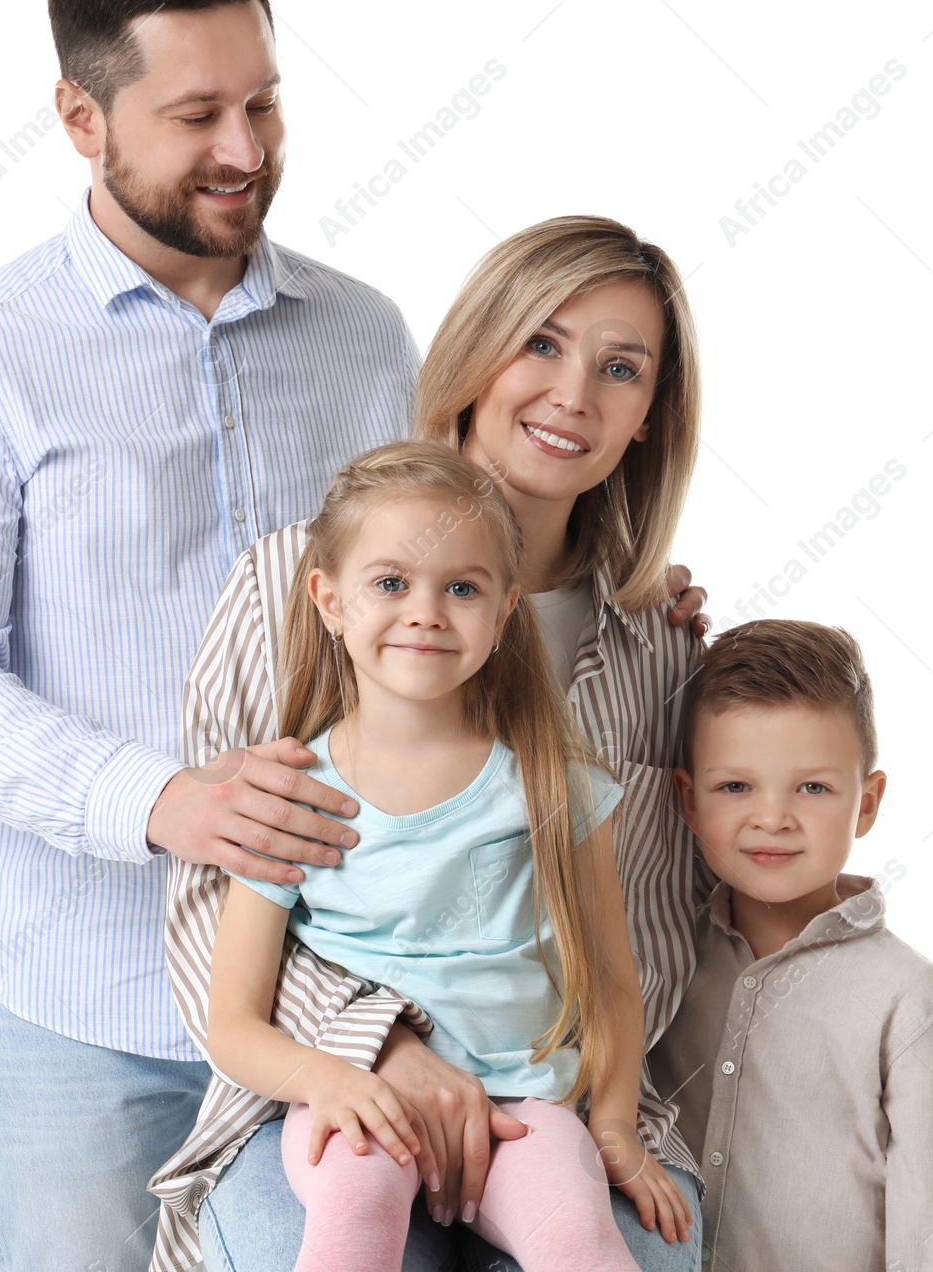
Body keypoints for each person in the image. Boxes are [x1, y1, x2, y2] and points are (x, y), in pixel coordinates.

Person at [0, 0, 707, 1271]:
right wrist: (164, 801)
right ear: (83, 117)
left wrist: (630, 580)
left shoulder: (362, 333)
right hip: (83, 992)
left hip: (367, 994)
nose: (247, 151)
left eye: (264, 102)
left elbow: (461, 558)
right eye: (198, 113)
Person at [150, 217, 710, 1272]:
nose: (573, 395)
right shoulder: (291, 579)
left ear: (647, 416)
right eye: (540, 342)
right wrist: (383, 1049)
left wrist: (609, 1116)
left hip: (554, 1099)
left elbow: (653, 938)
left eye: (620, 368)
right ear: (472, 352)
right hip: (327, 1090)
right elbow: (202, 905)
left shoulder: (658, 643)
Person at [206, 443, 692, 1272]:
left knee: (581, 1241)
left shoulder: (553, 784)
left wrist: (612, 1124)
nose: (426, 611)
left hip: (526, 1108)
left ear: (505, 612)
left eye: (461, 588)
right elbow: (233, 1022)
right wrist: (329, 1080)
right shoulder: (292, 794)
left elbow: (612, 979)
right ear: (329, 600)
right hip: (368, 1109)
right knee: (351, 1228)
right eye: (391, 582)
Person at [656, 620, 933, 1270]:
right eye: (735, 786)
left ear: (867, 802)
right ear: (688, 802)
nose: (772, 817)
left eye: (812, 787)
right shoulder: (660, 956)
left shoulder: (911, 1002)